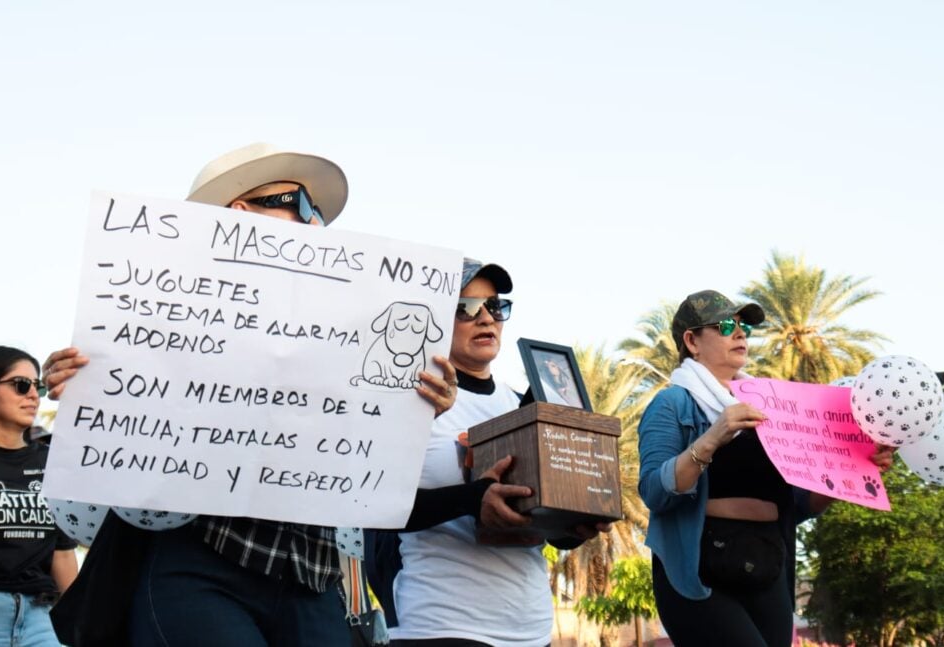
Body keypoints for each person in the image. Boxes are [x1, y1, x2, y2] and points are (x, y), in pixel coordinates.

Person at [45, 143, 457, 647]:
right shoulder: (166, 313)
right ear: (241, 214)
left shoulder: (347, 329)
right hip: (201, 563)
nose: (314, 223)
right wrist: (87, 386)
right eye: (299, 203)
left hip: (311, 574)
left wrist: (415, 404)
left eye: (319, 214)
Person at [637, 290, 895, 647]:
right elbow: (654, 491)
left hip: (768, 565)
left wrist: (855, 470)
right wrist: (712, 438)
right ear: (691, 340)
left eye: (744, 327)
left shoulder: (770, 404)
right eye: (727, 325)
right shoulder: (672, 403)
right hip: (701, 572)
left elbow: (798, 505)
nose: (740, 333)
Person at [384, 258, 608, 647]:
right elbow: (375, 507)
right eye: (467, 308)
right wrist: (473, 499)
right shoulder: (412, 400)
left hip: (533, 629)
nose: (487, 318)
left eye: (496, 306)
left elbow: (537, 518)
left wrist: (571, 527)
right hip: (441, 625)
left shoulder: (520, 406)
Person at [0, 346, 78, 647]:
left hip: (40, 620)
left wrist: (82, 624)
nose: (33, 395)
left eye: (36, 385)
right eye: (20, 385)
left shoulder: (52, 462)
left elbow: (63, 553)